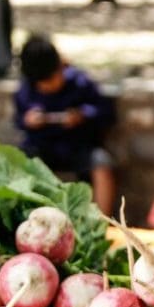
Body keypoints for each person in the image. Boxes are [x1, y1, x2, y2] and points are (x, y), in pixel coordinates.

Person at [14, 35, 117, 215]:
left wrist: (82, 115)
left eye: (52, 80)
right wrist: (28, 121)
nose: (48, 87)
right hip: (42, 147)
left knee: (101, 164)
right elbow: (19, 119)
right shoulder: (26, 90)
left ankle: (104, 223)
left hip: (78, 146)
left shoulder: (79, 82)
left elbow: (105, 111)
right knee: (17, 163)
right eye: (43, 85)